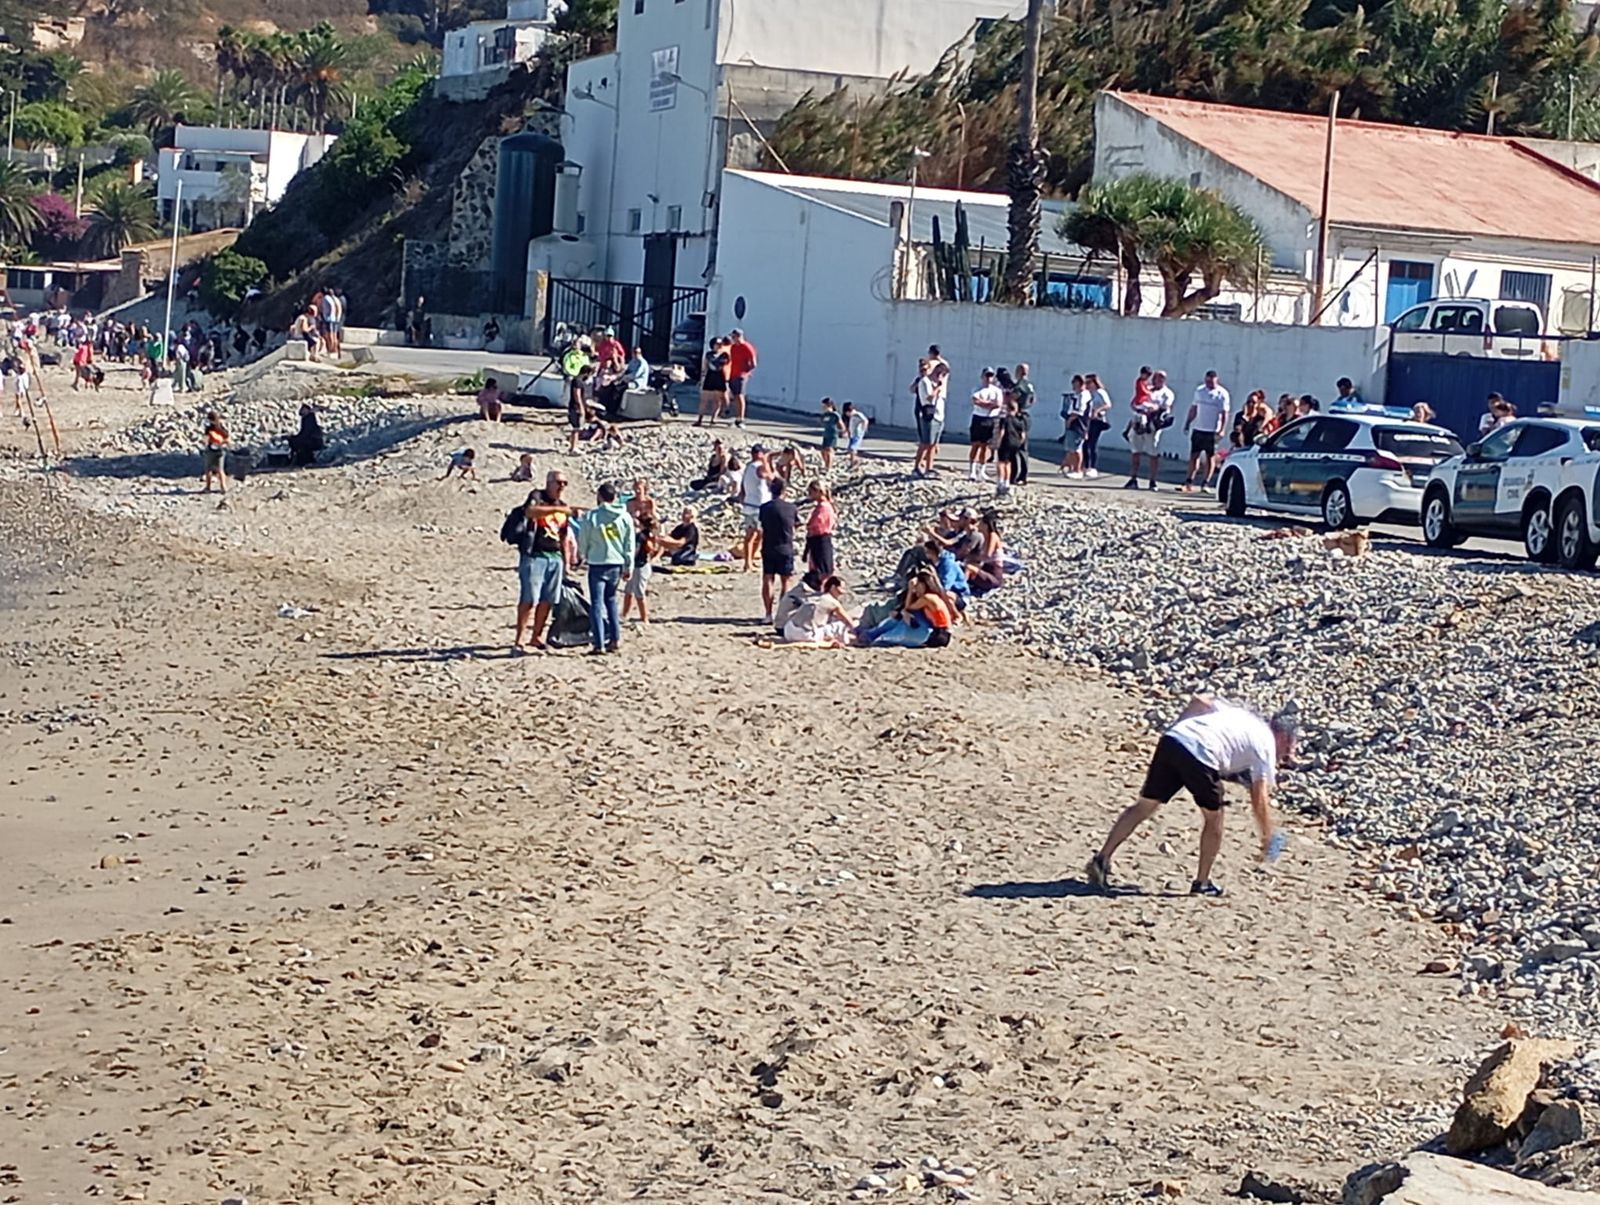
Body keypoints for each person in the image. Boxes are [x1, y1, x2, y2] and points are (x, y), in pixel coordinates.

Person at [1086, 696, 1296, 898]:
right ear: (1284, 738)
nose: (1285, 756)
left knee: (1145, 805)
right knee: (1215, 817)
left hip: (1174, 739)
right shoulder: (1266, 745)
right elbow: (1259, 799)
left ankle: (1102, 859)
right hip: (1202, 753)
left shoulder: (1241, 716)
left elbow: (1200, 701)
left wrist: (1178, 727)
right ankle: (1202, 883)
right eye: (1288, 750)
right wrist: (1268, 835)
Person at [512, 470, 578, 651]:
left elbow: (564, 535)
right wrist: (557, 509)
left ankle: (536, 636)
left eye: (564, 483)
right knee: (529, 598)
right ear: (549, 482)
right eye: (558, 482)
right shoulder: (537, 496)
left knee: (548, 599)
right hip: (534, 554)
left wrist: (567, 561)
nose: (561, 486)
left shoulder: (562, 506)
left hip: (554, 556)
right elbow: (530, 512)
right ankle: (519, 638)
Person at [574, 482, 633, 655]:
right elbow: (628, 544)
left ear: (599, 496)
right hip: (616, 562)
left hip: (598, 562)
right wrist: (628, 565)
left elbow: (583, 539)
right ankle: (615, 639)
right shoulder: (625, 517)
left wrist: (582, 555)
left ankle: (599, 643)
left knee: (597, 604)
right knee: (611, 600)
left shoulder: (591, 516)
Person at [858, 569, 954, 648]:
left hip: (939, 635)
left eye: (918, 586)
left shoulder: (927, 598)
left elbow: (908, 607)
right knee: (903, 615)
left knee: (905, 614)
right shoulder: (933, 597)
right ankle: (872, 634)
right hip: (942, 634)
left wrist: (910, 590)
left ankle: (871, 635)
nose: (917, 589)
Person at [758, 476, 799, 624]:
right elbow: (796, 524)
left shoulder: (765, 508)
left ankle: (768, 614)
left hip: (769, 546)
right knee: (786, 582)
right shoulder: (791, 508)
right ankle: (782, 614)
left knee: (768, 579)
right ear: (785, 490)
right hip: (785, 547)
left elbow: (762, 524)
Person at [1183, 370, 1230, 493]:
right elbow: (1194, 408)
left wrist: (1222, 430)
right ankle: (1189, 481)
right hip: (1199, 428)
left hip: (1212, 430)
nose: (1209, 383)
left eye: (1211, 381)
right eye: (1207, 381)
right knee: (1194, 456)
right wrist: (1188, 422)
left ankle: (1205, 483)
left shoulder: (1222, 394)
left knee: (1210, 457)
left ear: (1216, 379)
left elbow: (1225, 413)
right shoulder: (1200, 391)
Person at [1125, 368, 1172, 491]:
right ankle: (1133, 478)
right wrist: (1138, 408)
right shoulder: (1147, 389)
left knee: (1153, 453)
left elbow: (1165, 407)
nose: (1158, 380)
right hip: (1139, 421)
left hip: (1153, 424)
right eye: (1156, 377)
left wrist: (1154, 409)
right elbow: (1134, 402)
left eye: (1161, 378)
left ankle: (1152, 481)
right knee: (1135, 451)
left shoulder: (1167, 393)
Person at [783, 575, 855, 646]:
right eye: (841, 588)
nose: (843, 592)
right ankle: (850, 641)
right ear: (833, 587)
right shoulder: (833, 602)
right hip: (804, 635)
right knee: (840, 625)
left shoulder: (816, 595)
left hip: (788, 631)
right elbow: (848, 620)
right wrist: (856, 630)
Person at [621, 494, 658, 627]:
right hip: (642, 565)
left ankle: (644, 617)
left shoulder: (640, 537)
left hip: (639, 566)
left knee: (638, 593)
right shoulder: (648, 535)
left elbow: (635, 552)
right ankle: (625, 615)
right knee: (629, 591)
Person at [738, 445, 773, 573]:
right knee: (753, 535)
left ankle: (750, 560)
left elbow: (742, 486)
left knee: (756, 534)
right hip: (758, 506)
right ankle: (748, 563)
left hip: (750, 504)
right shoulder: (758, 466)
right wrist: (767, 460)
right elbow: (769, 477)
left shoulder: (748, 467)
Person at [968, 368, 1004, 482]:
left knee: (985, 446)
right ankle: (972, 471)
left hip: (991, 419)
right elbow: (975, 401)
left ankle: (982, 470)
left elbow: (998, 404)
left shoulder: (997, 391)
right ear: (982, 376)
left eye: (991, 376)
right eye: (986, 376)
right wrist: (988, 404)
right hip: (978, 418)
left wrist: (985, 403)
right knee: (975, 445)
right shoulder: (977, 389)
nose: (988, 378)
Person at [911, 358, 945, 479]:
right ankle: (916, 467)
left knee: (933, 444)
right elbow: (929, 398)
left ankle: (929, 468)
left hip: (938, 416)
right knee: (925, 443)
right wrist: (937, 388)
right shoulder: (924, 381)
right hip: (928, 414)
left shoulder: (933, 382)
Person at [1082, 372, 1112, 479]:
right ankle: (1085, 465)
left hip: (1097, 420)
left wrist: (1097, 410)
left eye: (1089, 382)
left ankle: (1093, 467)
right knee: (1085, 443)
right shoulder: (1089, 393)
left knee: (1092, 443)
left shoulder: (1100, 392)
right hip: (1089, 419)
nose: (1087, 384)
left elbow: (1108, 404)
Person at [804, 479, 836, 578]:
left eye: (811, 492)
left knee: (820, 568)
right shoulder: (827, 506)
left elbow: (815, 523)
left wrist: (807, 525)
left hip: (820, 539)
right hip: (822, 539)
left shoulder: (823, 507)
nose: (809, 495)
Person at [995, 396, 1026, 496]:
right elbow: (1023, 436)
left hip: (1005, 442)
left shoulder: (1005, 420)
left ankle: (1000, 482)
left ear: (1008, 408)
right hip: (1015, 444)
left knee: (1001, 463)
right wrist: (1018, 443)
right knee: (1009, 463)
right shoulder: (1020, 421)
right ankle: (1007, 482)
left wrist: (997, 442)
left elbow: (1002, 432)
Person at [726, 328, 757, 427]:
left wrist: (746, 372)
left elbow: (753, 363)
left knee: (739, 395)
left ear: (739, 336)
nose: (733, 339)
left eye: (734, 337)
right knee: (733, 395)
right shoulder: (733, 347)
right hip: (732, 374)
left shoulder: (746, 347)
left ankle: (741, 418)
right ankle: (735, 416)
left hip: (740, 375)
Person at [1060, 373, 1089, 478]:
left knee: (1077, 448)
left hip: (1078, 424)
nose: (1072, 385)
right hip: (1073, 423)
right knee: (1071, 447)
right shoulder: (1077, 395)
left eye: (1074, 382)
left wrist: (1070, 420)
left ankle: (1078, 470)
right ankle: (1072, 468)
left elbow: (1079, 411)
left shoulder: (1083, 395)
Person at [1010, 362, 1035, 486]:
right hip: (1026, 414)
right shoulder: (1030, 385)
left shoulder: (1019, 385)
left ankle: (1014, 475)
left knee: (1014, 447)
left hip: (1018, 416)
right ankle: (1023, 475)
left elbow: (1013, 397)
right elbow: (1033, 400)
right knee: (1024, 449)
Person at [697, 336, 730, 426]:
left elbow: (727, 366)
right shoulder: (708, 355)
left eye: (721, 344)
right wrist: (702, 378)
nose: (719, 345)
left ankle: (713, 419)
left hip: (720, 377)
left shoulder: (725, 355)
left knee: (717, 400)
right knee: (705, 399)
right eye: (717, 344)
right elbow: (705, 366)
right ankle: (700, 419)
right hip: (710, 377)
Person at [567, 365, 594, 454]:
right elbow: (577, 395)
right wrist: (581, 407)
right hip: (576, 407)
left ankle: (573, 446)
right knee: (577, 428)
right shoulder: (578, 381)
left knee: (576, 428)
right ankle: (574, 447)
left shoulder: (576, 380)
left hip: (574, 406)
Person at [201, 411, 230, 495]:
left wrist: (204, 443)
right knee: (220, 470)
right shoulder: (221, 428)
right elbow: (227, 439)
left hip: (210, 451)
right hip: (221, 450)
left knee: (208, 469)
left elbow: (205, 439)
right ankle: (223, 487)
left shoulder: (209, 428)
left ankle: (208, 487)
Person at [288, 403, 325, 467]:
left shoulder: (310, 418)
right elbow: (303, 432)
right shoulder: (305, 418)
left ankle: (304, 461)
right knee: (295, 441)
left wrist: (296, 438)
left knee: (300, 444)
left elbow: (307, 432)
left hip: (314, 441)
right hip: (309, 439)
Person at [843, 400, 869, 468]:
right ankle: (854, 460)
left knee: (852, 448)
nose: (847, 415)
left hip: (857, 434)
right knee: (850, 449)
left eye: (847, 413)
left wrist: (864, 428)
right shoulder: (852, 416)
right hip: (852, 434)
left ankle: (854, 462)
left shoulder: (857, 414)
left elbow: (865, 420)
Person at [819, 397, 843, 472]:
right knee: (823, 451)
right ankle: (826, 464)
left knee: (829, 450)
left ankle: (828, 467)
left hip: (832, 434)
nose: (823, 408)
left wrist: (842, 432)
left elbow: (841, 425)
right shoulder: (824, 415)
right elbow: (822, 422)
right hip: (826, 434)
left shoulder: (835, 415)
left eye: (824, 406)